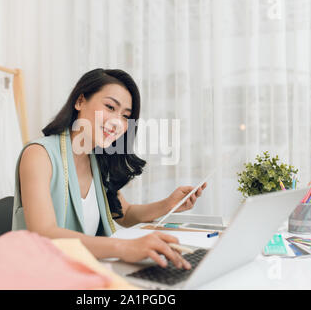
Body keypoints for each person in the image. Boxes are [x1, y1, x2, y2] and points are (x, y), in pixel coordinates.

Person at [12, 68, 207, 270]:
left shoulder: (97, 160)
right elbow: (44, 234)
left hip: (82, 270)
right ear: (80, 101)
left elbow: (125, 213)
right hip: (42, 274)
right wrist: (124, 247)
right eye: (110, 107)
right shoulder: (39, 154)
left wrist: (169, 204)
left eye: (125, 116)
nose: (117, 122)